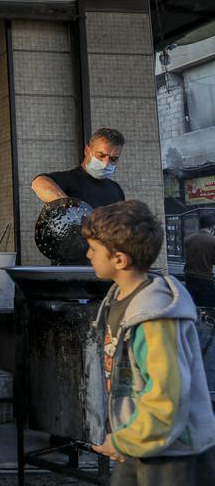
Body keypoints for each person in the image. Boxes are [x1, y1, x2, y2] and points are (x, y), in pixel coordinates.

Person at [82, 200, 215, 485]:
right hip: (141, 444)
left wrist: (123, 441)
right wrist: (126, 438)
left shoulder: (155, 316)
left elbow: (166, 398)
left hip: (174, 454)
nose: (88, 254)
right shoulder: (117, 300)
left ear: (119, 259)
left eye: (94, 249)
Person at [31, 128, 126, 208]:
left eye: (113, 159)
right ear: (87, 150)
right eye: (101, 155)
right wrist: (70, 209)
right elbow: (39, 183)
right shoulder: (69, 179)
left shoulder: (116, 189)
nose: (106, 163)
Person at [184, 213, 215, 307]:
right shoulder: (213, 240)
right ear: (213, 226)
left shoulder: (189, 239)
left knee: (193, 306)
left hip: (189, 277)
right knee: (208, 308)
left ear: (200, 225)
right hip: (205, 278)